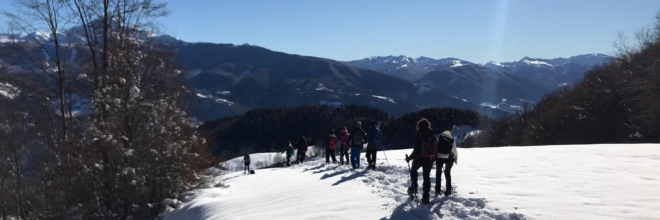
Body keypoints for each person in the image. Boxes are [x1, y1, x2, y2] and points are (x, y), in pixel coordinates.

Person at [405, 118, 436, 204]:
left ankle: (414, 189)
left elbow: (416, 150)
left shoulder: (419, 135)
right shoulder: (431, 134)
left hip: (420, 158)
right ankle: (426, 197)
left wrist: (409, 158)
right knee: (426, 177)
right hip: (429, 159)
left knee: (413, 170)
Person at [436, 130, 458, 196]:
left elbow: (435, 147)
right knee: (447, 173)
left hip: (439, 157)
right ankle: (448, 191)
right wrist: (455, 159)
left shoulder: (440, 138)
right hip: (449, 158)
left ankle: (437, 190)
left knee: (438, 173)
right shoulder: (451, 139)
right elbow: (454, 150)